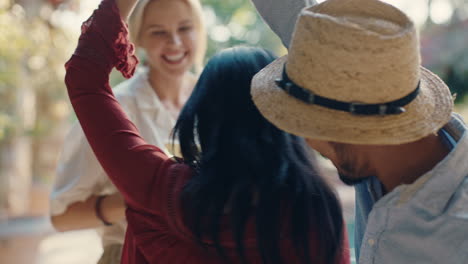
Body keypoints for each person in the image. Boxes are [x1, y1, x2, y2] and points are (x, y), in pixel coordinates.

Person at [62, 0, 351, 263]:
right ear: (282, 117)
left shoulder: (162, 189)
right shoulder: (316, 209)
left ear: (200, 112)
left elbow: (84, 80)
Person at [250, 0, 468, 263]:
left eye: (304, 124)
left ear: (354, 130)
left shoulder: (458, 236)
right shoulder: (378, 138)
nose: (306, 140)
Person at [49, 0, 206, 262]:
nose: (175, 42)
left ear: (200, 31)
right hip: (129, 255)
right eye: (159, 32)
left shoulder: (214, 98)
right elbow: (62, 217)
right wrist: (139, 200)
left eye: (185, 28)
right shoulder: (114, 110)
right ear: (138, 36)